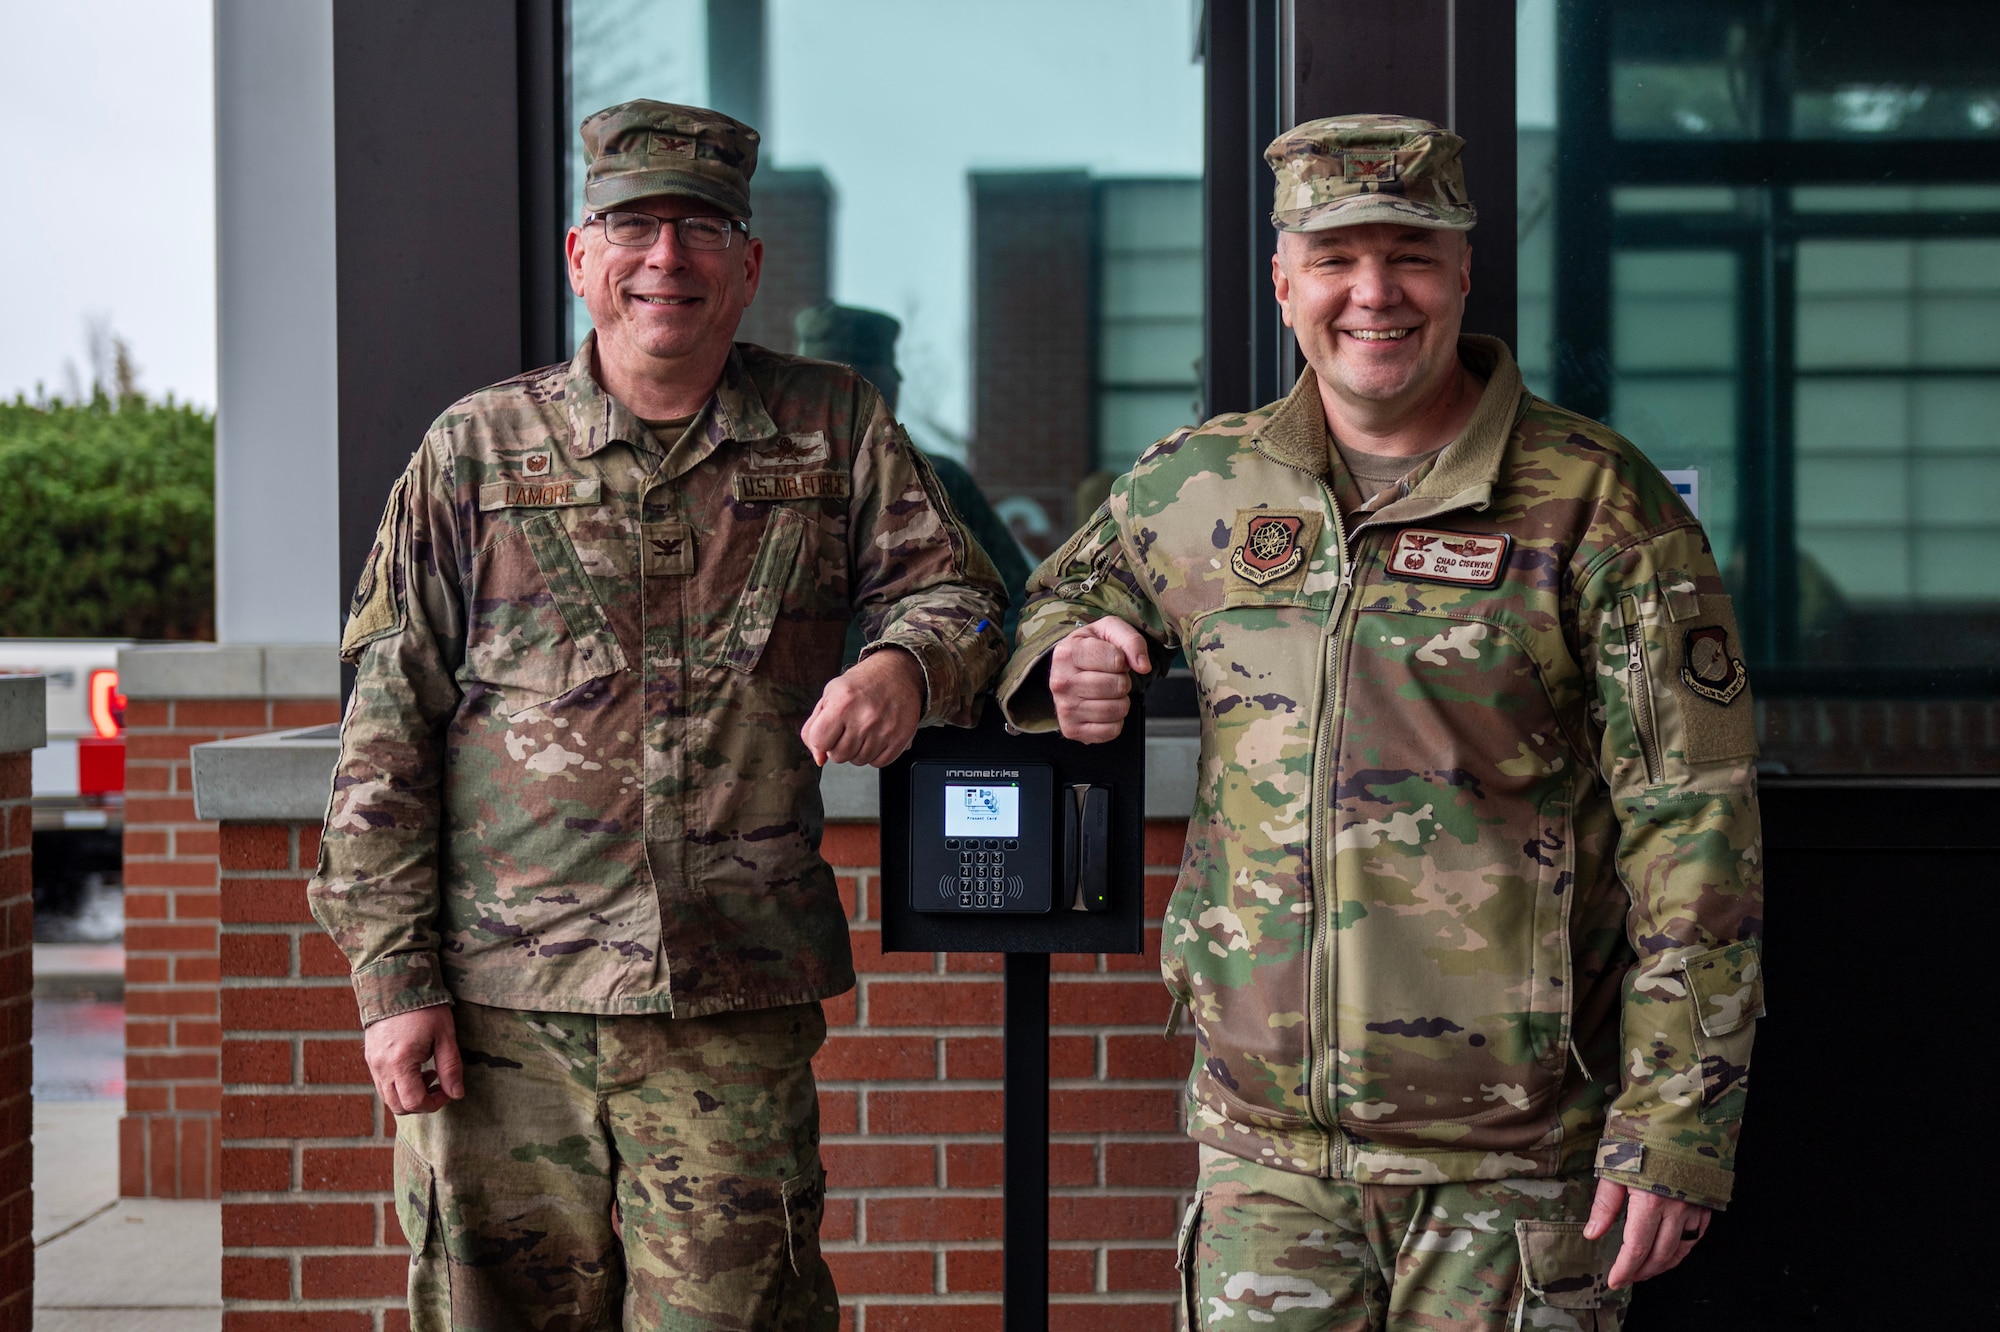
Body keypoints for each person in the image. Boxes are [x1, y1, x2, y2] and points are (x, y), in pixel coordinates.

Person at [996, 115, 1763, 1330]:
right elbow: (1063, 593)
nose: (1372, 292)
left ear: (1461, 271)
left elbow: (1694, 828)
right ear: (1282, 283)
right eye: (1334, 258)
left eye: (1409, 254)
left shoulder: (1591, 502)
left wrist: (1677, 1126)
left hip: (1512, 1168)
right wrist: (1065, 657)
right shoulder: (1197, 483)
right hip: (1264, 1159)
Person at [310, 99, 1007, 1330]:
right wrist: (393, 978)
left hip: (729, 1000)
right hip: (501, 1009)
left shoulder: (832, 427)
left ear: (749, 266)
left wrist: (906, 665)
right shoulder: (475, 450)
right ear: (580, 257)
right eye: (633, 227)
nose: (665, 259)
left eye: (701, 230)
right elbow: (385, 727)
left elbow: (959, 595)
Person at [791, 301, 1035, 649]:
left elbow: (1014, 607)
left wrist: (973, 654)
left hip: (917, 675)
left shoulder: (939, 480)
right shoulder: (759, 481)